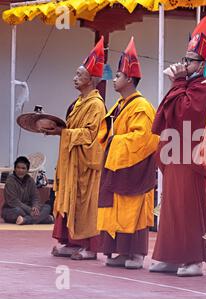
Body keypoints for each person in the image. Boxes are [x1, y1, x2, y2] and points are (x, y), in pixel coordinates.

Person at [150, 16, 206, 277]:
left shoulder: (205, 86)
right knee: (170, 207)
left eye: (190, 60)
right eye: (185, 59)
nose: (184, 64)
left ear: (203, 64)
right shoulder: (187, 83)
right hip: (176, 153)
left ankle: (193, 259)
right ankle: (170, 256)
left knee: (187, 207)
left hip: (192, 155)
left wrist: (177, 84)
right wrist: (177, 84)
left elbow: (187, 114)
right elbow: (166, 112)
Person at [97, 37, 159, 269]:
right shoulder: (121, 105)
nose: (114, 79)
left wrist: (115, 142)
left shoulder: (141, 106)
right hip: (117, 166)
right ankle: (120, 252)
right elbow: (105, 130)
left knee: (133, 209)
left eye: (118, 76)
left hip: (135, 169)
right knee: (117, 209)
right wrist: (111, 141)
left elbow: (144, 138)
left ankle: (135, 254)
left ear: (130, 79)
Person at [43, 37, 107, 260]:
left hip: (86, 165)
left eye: (79, 75)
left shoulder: (96, 105)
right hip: (72, 163)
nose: (74, 78)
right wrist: (57, 130)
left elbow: (92, 135)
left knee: (84, 204)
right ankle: (70, 242)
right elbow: (71, 128)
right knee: (69, 200)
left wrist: (64, 133)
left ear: (91, 79)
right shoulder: (79, 102)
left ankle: (89, 247)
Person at [1, 156, 53, 225]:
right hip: (12, 209)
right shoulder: (10, 181)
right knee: (18, 211)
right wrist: (30, 210)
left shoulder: (30, 180)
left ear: (27, 170)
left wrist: (35, 207)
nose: (20, 170)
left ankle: (26, 220)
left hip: (28, 208)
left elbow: (35, 197)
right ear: (15, 169)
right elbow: (13, 202)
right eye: (18, 168)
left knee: (47, 207)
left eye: (23, 168)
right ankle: (45, 219)